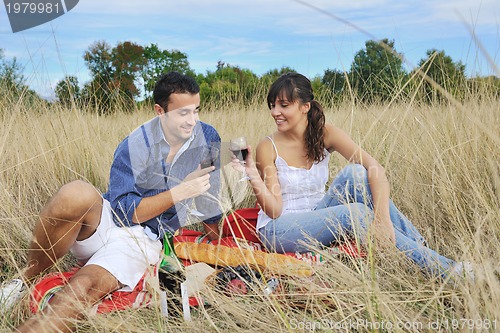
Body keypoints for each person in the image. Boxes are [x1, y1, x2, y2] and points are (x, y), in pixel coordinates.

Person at [0, 71, 223, 332]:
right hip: (111, 219)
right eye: (183, 113)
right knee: (75, 192)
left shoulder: (208, 137)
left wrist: (215, 240)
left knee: (81, 287)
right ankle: (25, 279)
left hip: (143, 237)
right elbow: (126, 212)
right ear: (159, 111)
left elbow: (210, 188)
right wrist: (180, 191)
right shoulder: (135, 144)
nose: (193, 121)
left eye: (196, 110)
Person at [233, 72, 473, 281]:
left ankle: (418, 247)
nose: (276, 112)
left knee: (357, 173)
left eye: (284, 105)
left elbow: (375, 167)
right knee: (356, 212)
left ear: (305, 106)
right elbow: (274, 210)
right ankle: (450, 273)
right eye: (272, 106)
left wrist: (383, 222)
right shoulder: (267, 146)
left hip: (317, 215)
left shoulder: (325, 133)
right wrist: (253, 175)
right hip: (280, 230)